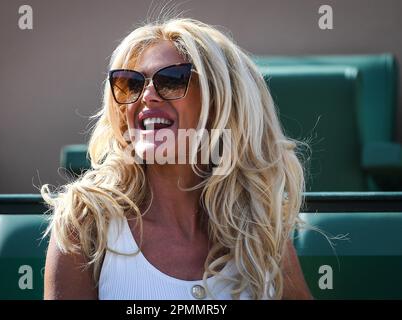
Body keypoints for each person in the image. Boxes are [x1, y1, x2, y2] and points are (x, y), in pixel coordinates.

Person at [41, 17, 312, 300]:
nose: (146, 96)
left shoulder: (258, 226)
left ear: (218, 100)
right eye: (131, 84)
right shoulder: (86, 221)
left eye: (171, 80)